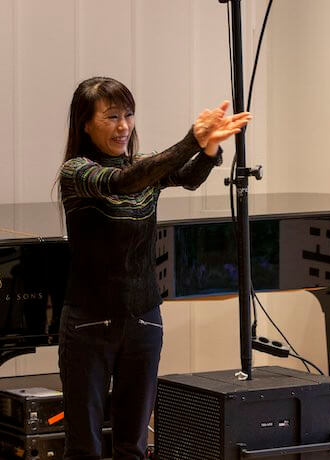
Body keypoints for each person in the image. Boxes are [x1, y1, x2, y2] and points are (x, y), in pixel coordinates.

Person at [57, 76, 251, 459]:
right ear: (85, 123)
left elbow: (189, 177)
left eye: (128, 115)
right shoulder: (77, 172)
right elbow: (125, 182)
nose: (124, 126)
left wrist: (209, 146)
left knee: (134, 443)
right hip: (88, 324)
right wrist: (190, 141)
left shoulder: (143, 166)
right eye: (111, 116)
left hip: (143, 320)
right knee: (85, 447)